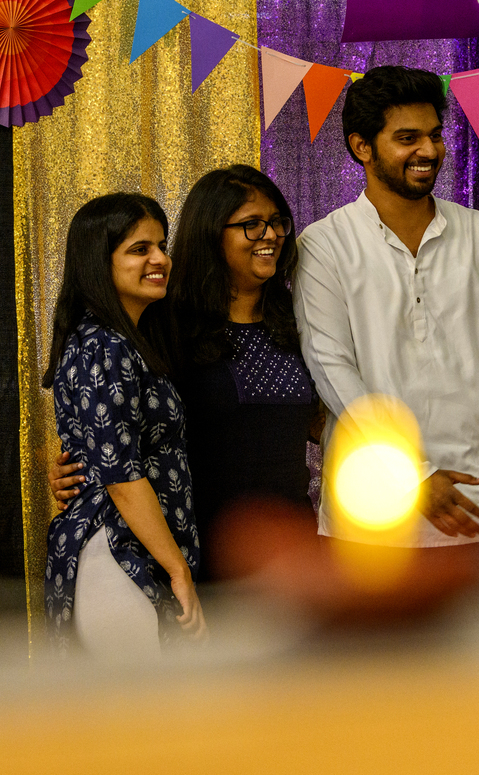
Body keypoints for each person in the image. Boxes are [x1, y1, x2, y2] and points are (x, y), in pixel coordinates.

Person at [293, 65, 479, 602]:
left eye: (434, 135)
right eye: (407, 139)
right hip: (374, 524)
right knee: (386, 685)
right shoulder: (324, 245)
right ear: (362, 147)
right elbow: (333, 370)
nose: (428, 150)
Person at [51, 167, 318, 582]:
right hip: (208, 547)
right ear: (212, 233)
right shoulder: (164, 321)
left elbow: (322, 414)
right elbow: (116, 419)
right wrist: (77, 467)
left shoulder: (300, 315)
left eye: (277, 222)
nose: (271, 235)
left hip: (294, 541)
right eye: (252, 225)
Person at [43, 193, 205, 657]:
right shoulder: (104, 348)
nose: (160, 259)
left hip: (135, 551)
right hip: (116, 551)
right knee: (138, 717)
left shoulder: (128, 341)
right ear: (100, 262)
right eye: (140, 249)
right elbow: (120, 477)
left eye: (161, 245)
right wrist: (178, 570)